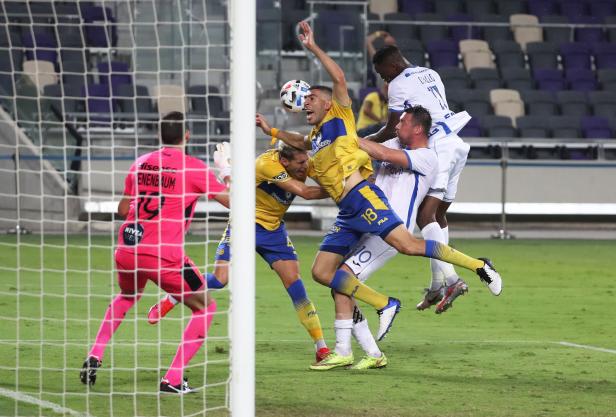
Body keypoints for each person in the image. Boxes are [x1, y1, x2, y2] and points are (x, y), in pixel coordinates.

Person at [261, 21, 502, 369]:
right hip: (348, 212)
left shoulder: (406, 147)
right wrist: (270, 130)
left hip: (369, 206)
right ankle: (361, 348)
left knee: (407, 243)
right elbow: (304, 145)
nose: (306, 103)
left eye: (313, 98)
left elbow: (348, 94)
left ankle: (476, 267)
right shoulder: (320, 137)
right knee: (325, 273)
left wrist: (313, 47)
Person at [79, 112, 230, 394]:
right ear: (186, 135)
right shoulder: (193, 168)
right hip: (164, 256)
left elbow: (123, 210)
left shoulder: (140, 163)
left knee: (126, 296)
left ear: (159, 135)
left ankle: (96, 353)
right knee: (205, 307)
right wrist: (224, 171)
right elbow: (235, 203)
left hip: (127, 248)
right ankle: (172, 379)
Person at [147, 143, 332, 364]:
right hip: (245, 224)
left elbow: (320, 174)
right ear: (284, 162)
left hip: (273, 231)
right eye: (301, 163)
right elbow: (306, 192)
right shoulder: (267, 165)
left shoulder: (302, 162)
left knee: (295, 285)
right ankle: (173, 296)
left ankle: (321, 348)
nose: (306, 166)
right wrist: (339, 188)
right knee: (219, 279)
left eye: (306, 160)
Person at [365, 45, 503, 312]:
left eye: (383, 74)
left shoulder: (397, 84)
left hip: (439, 146)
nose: (384, 80)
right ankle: (437, 285)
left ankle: (454, 278)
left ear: (392, 66)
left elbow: (391, 128)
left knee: (424, 216)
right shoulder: (430, 73)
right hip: (456, 142)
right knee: (438, 217)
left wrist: (362, 142)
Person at [330, 105, 438, 370]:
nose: (396, 126)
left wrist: (346, 137)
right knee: (338, 285)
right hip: (368, 223)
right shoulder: (394, 142)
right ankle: (372, 353)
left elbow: (380, 151)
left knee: (343, 279)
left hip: (391, 232)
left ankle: (347, 346)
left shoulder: (427, 157)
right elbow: (372, 148)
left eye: (402, 123)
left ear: (418, 129)